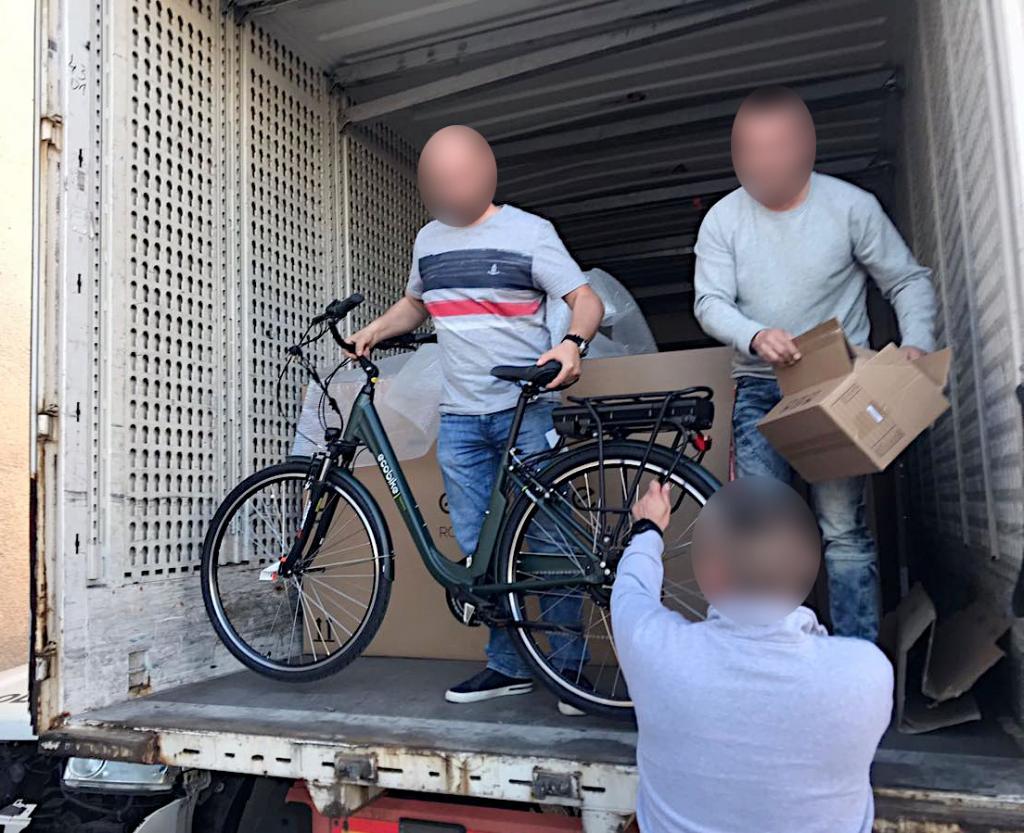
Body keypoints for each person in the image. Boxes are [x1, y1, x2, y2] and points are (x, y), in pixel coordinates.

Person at [348, 125, 605, 709]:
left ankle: (569, 671)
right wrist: (375, 330)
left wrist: (572, 345)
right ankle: (507, 664)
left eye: (458, 176)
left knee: (549, 543)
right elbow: (416, 303)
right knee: (478, 549)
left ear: (486, 173)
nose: (449, 188)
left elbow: (585, 299)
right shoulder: (428, 240)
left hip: (526, 409)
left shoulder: (530, 232)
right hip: (460, 420)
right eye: (437, 180)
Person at [693, 85, 938, 641]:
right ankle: (776, 660)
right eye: (747, 151)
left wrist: (917, 345)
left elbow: (906, 280)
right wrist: (755, 336)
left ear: (806, 146)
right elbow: (709, 302)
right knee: (761, 534)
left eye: (773, 148)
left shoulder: (850, 207)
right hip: (759, 388)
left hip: (837, 388)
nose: (760, 163)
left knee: (844, 531)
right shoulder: (722, 220)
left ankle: (855, 663)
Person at [612, 477, 893, 833]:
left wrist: (648, 527)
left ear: (711, 573)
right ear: (805, 571)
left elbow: (631, 588)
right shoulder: (867, 672)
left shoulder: (653, 648)